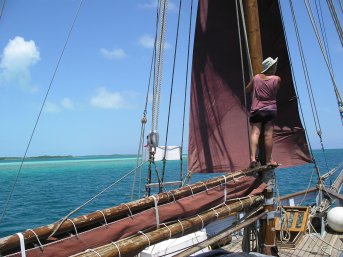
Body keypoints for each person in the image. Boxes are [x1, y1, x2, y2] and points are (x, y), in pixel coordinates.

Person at [245, 57, 281, 168]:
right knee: (268, 135)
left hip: (257, 110)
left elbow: (247, 89)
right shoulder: (277, 79)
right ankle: (270, 160)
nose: (276, 67)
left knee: (255, 133)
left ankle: (252, 159)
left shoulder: (256, 78)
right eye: (274, 65)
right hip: (270, 110)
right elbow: (275, 91)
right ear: (271, 67)